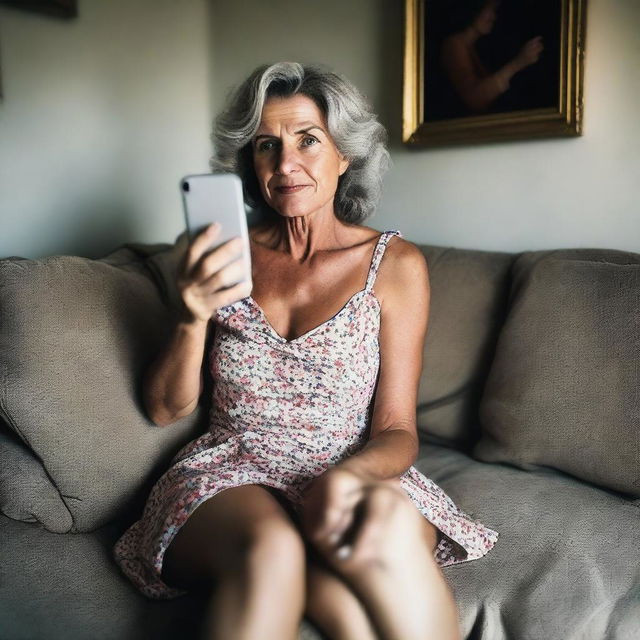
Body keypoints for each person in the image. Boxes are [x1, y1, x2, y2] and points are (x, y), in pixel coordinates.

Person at [113, 61, 499, 640]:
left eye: (308, 141)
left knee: (383, 529)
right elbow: (165, 410)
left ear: (345, 155)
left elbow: (396, 427)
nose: (286, 164)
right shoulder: (221, 256)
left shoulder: (395, 267)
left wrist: (353, 477)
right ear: (250, 163)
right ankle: (305, 570)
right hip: (232, 471)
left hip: (346, 464)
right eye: (266, 145)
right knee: (272, 551)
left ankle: (321, 572)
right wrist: (192, 315)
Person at [441, 0, 544, 114]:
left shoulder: (471, 47)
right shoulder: (454, 45)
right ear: (474, 10)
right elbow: (474, 99)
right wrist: (518, 63)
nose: (493, 17)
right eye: (489, 9)